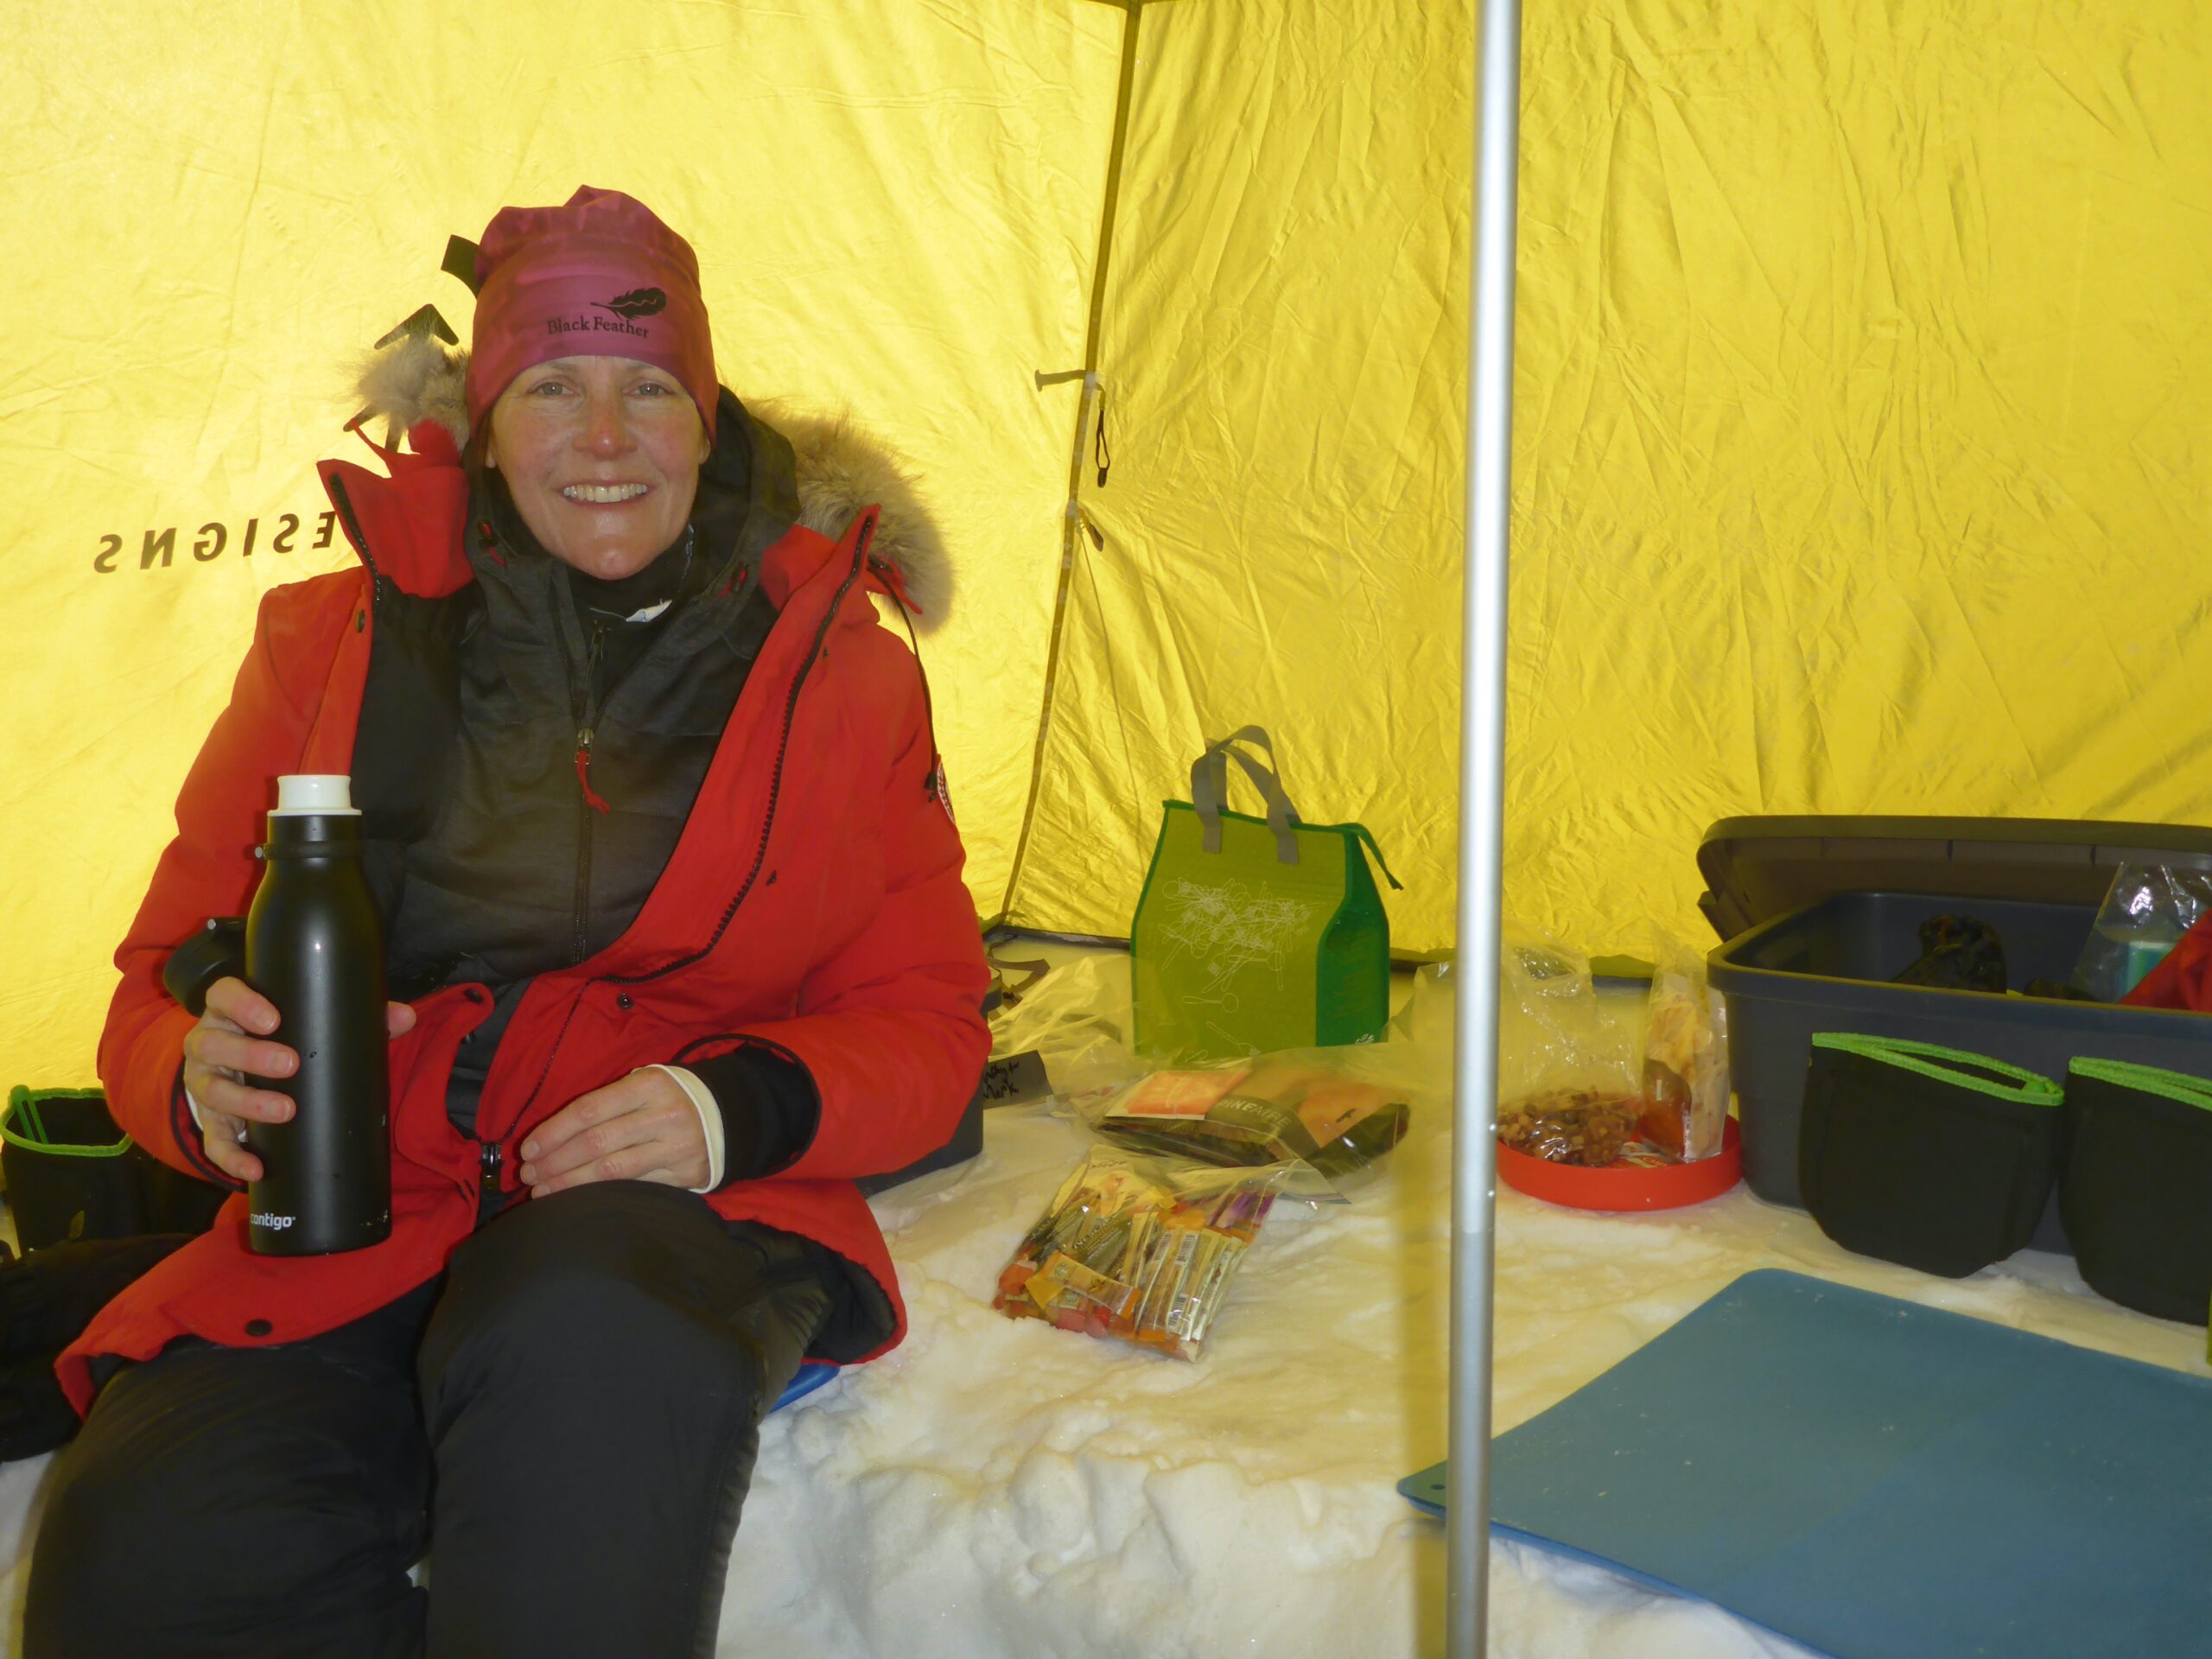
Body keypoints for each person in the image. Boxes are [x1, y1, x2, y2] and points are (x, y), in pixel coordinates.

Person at [24, 186, 989, 1659]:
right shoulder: (332, 639)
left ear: (708, 420)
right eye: (550, 388)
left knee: (584, 1350)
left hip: (667, 1217)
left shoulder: (839, 675)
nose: (603, 438)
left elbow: (928, 1027)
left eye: (647, 390)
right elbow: (158, 983)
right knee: (153, 1542)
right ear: (482, 423)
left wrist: (728, 1108)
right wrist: (194, 1080)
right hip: (356, 1208)